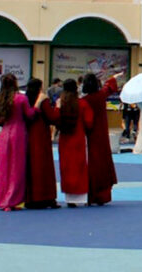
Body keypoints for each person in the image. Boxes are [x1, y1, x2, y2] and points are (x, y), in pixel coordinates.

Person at [0, 75, 38, 211]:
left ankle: (0, 198)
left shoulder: (0, 100)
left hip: (5, 134)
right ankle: (13, 199)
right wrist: (37, 107)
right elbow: (29, 115)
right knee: (16, 167)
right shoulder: (21, 98)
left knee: (3, 167)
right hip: (19, 133)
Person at [80, 71, 122, 205]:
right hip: (102, 135)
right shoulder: (100, 96)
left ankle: (91, 194)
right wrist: (112, 78)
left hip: (89, 135)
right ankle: (103, 194)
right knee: (103, 163)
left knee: (91, 164)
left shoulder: (84, 101)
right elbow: (108, 88)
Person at [23, 78, 59, 209]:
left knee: (30, 166)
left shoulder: (24, 99)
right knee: (43, 167)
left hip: (27, 135)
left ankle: (30, 198)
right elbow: (52, 117)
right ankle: (45, 197)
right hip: (41, 135)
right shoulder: (43, 99)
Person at [56, 79, 92, 207]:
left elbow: (55, 119)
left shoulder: (61, 103)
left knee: (66, 167)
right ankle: (81, 196)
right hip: (78, 138)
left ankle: (69, 196)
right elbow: (89, 122)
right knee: (79, 167)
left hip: (65, 138)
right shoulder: (82, 103)